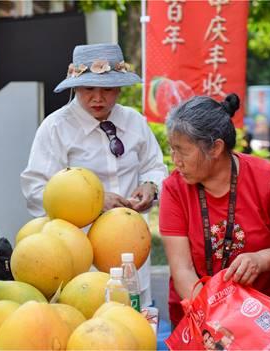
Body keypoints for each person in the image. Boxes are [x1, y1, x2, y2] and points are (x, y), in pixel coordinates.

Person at [21, 43, 168, 307]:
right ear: (75, 87)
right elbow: (35, 190)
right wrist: (92, 204)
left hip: (131, 254)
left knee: (135, 330)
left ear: (120, 88)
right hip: (79, 261)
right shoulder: (56, 128)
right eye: (89, 89)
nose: (98, 98)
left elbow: (155, 166)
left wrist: (150, 186)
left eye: (107, 90)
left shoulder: (134, 122)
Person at [159, 94, 270, 328]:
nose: (175, 161)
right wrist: (213, 322)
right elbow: (182, 269)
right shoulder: (175, 188)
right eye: (172, 150)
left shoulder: (267, 178)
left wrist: (262, 259)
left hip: (261, 323)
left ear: (215, 148)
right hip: (199, 321)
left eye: (182, 151)